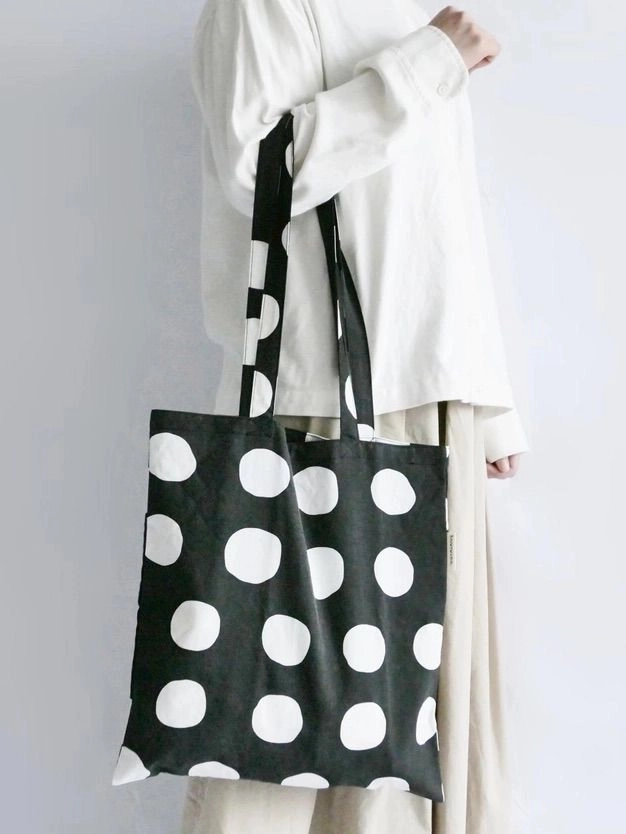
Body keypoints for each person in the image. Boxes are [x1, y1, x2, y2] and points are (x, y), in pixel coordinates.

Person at [181, 2, 530, 832]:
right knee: (278, 744)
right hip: (312, 412)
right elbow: (257, 169)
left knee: (408, 750)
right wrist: (424, 66)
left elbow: (441, 221)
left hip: (435, 404)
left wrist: (486, 400)